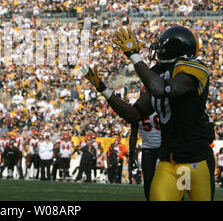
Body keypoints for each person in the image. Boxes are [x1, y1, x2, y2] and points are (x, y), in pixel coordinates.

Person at [83, 25, 216, 201]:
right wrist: (103, 89)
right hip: (169, 158)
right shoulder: (157, 72)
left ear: (176, 47)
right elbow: (134, 115)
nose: (158, 49)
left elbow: (160, 88)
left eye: (162, 45)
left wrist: (134, 56)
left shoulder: (195, 68)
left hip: (197, 158)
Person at [129, 109, 161, 200]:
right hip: (148, 149)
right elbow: (133, 134)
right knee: (148, 181)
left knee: (164, 180)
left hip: (161, 149)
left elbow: (133, 135)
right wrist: (131, 155)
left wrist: (131, 155)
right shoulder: (138, 111)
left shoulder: (138, 110)